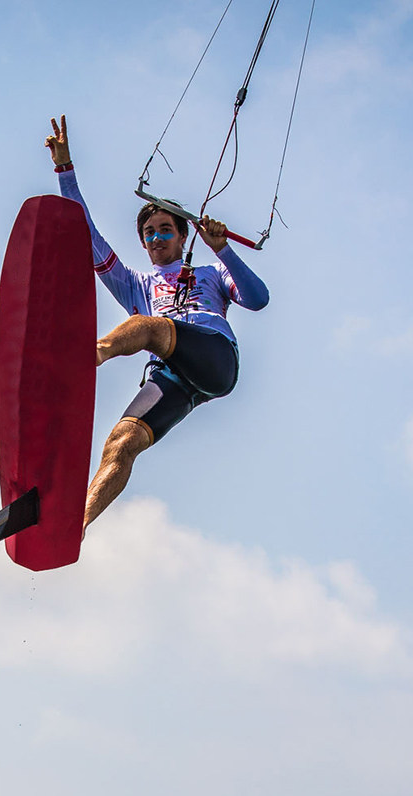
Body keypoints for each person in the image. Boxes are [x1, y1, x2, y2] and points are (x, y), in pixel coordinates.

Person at [45, 115, 269, 532]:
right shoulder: (136, 284)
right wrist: (65, 170)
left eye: (166, 230)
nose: (157, 238)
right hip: (174, 379)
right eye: (149, 233)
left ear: (183, 237)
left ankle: (83, 359)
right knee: (121, 442)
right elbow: (87, 235)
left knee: (149, 326)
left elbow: (258, 299)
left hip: (215, 359)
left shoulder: (211, 273)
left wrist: (222, 250)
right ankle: (75, 527)